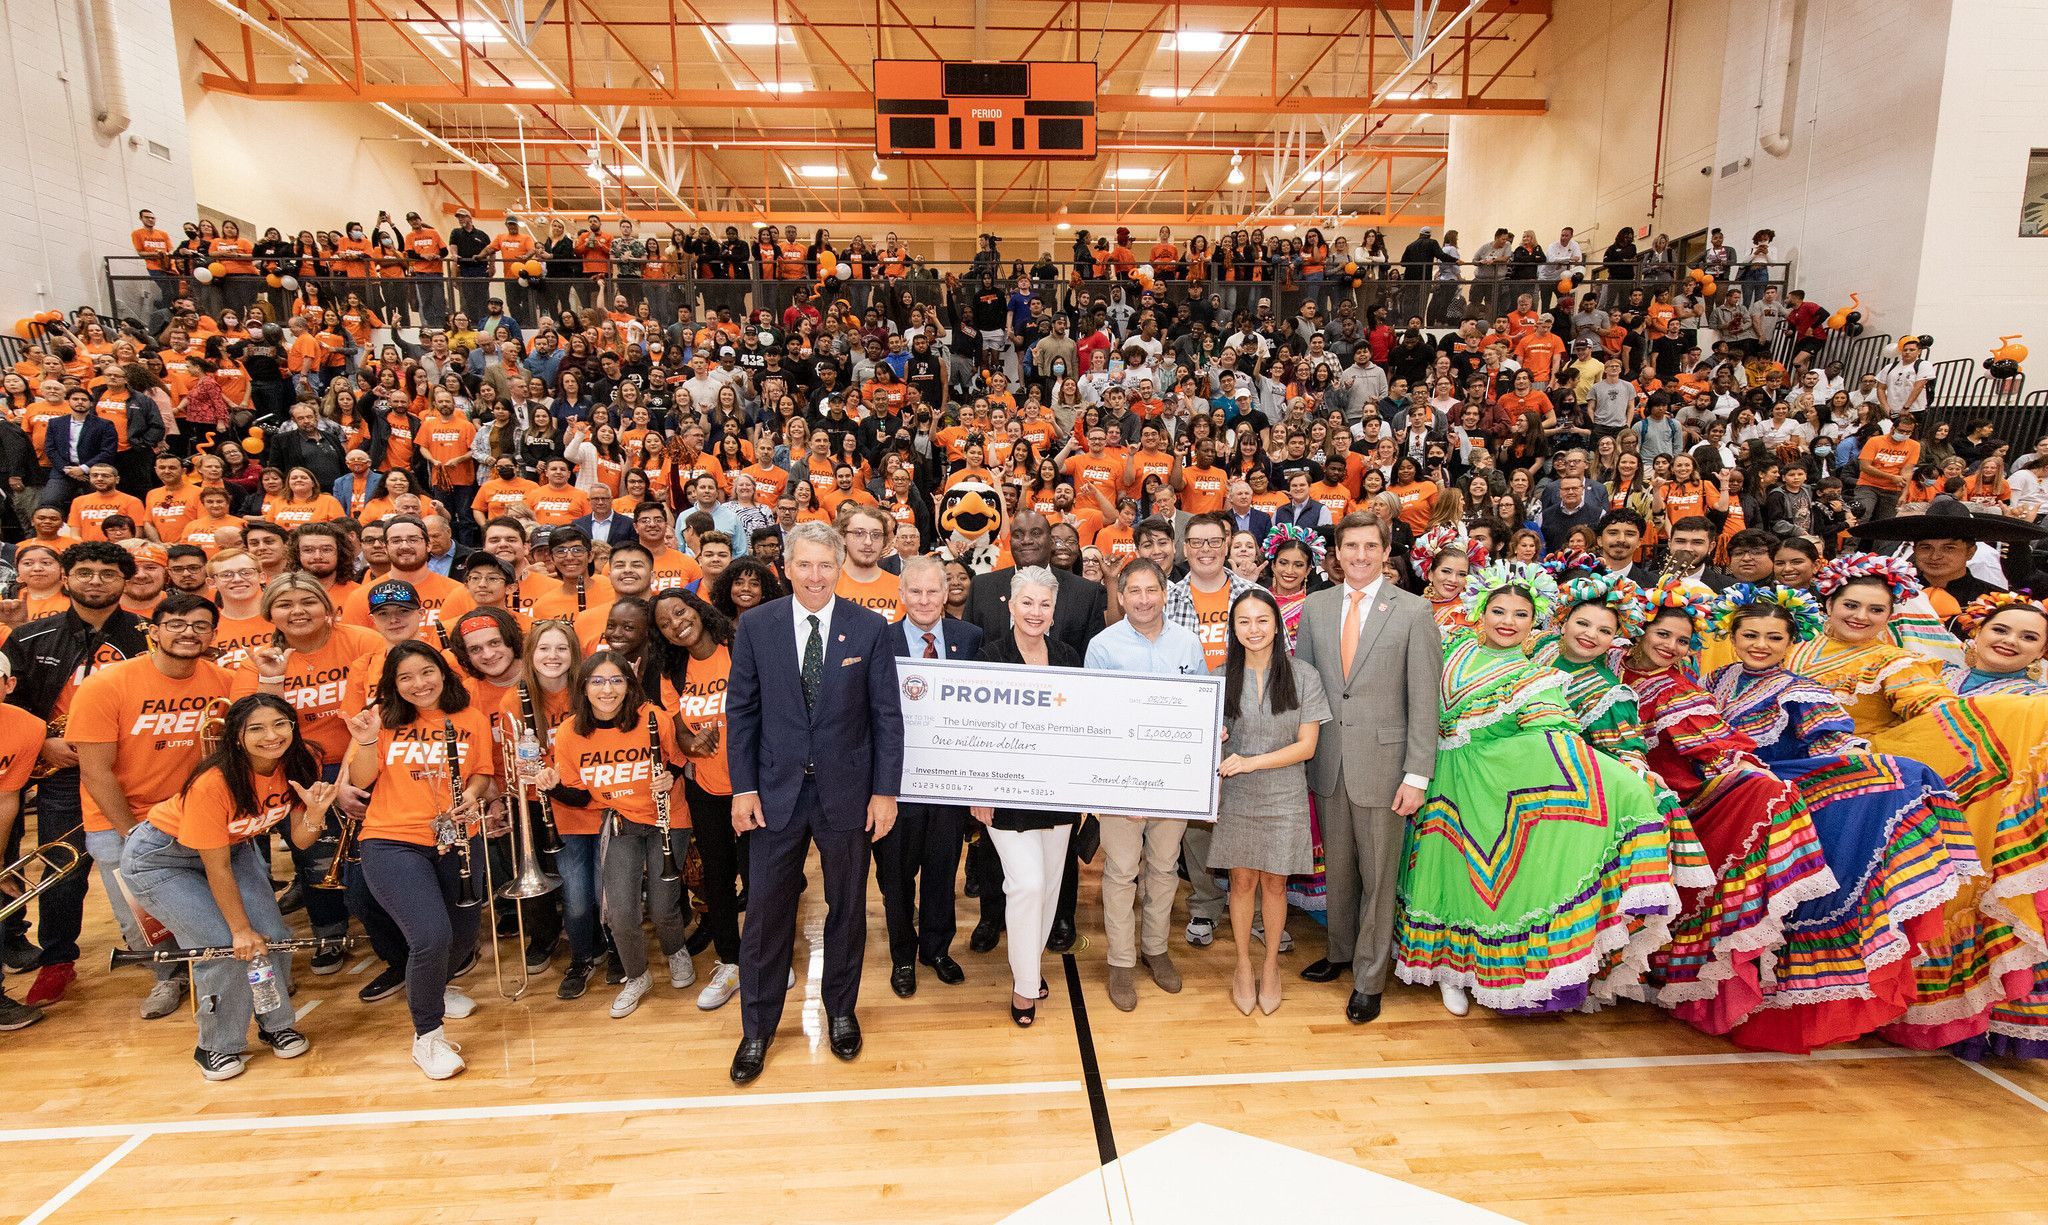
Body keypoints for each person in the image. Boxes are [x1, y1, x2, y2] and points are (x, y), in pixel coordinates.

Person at [1396, 563, 1682, 1016]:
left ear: (1536, 623)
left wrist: (1627, 776)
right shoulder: (1450, 644)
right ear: (1480, 611)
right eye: (1499, 610)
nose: (1507, 621)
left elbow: (1558, 735)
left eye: (1520, 615)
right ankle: (1442, 967)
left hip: (1489, 785)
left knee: (1468, 877)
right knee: (1434, 870)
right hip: (1430, 772)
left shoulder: (1533, 676)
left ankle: (1465, 973)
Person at [1787, 554, 2048, 1051]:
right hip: (1897, 800)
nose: (2009, 641)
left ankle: (1969, 1019)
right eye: (2001, 628)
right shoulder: (1934, 672)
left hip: (1986, 811)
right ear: (1975, 631)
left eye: (2028, 637)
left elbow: (1929, 716)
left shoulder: (2032, 700)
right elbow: (1919, 725)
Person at [1703, 583, 1973, 1052]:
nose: (1761, 645)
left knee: (1889, 782)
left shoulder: (1801, 688)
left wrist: (1862, 761)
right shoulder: (1715, 681)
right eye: (1750, 635)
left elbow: (1829, 741)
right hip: (1718, 783)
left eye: (1774, 637)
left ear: (1791, 642)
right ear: (1733, 635)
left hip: (1774, 784)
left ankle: (1773, 996)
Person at [723, 521, 903, 1084]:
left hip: (848, 793)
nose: (816, 575)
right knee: (766, 914)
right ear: (788, 568)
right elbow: (742, 712)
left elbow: (886, 718)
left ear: (840, 565)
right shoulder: (756, 626)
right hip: (773, 794)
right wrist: (744, 787)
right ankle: (757, 1029)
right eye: (805, 564)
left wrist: (884, 791)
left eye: (826, 564)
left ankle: (842, 1010)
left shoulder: (870, 628)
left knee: (847, 909)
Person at [1620, 580, 1833, 1036]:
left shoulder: (1681, 688)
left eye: (1682, 640)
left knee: (1765, 798)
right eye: (1662, 635)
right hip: (1623, 774)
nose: (1672, 647)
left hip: (1692, 788)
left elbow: (1716, 744)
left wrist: (1753, 774)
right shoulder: (1705, 677)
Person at [118, 694, 337, 1080]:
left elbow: (302, 841)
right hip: (162, 859)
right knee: (225, 946)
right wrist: (239, 930)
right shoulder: (213, 783)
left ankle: (276, 1024)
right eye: (256, 728)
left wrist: (317, 813)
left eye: (280, 724)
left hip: (232, 846)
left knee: (272, 935)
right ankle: (216, 1046)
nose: (271, 735)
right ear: (236, 736)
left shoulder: (302, 760)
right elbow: (215, 868)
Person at [1289, 513, 1442, 1024]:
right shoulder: (1315, 607)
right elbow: (1305, 690)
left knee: (1378, 877)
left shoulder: (1415, 611)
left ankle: (1371, 977)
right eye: (1349, 545)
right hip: (1328, 762)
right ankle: (1339, 952)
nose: (1359, 555)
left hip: (1386, 766)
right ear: (1336, 551)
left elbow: (1424, 702)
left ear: (1384, 549)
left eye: (1369, 546)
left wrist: (1417, 774)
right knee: (1339, 870)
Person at [341, 640, 503, 1081]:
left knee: (463, 934)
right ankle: (427, 1037)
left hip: (458, 838)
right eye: (405, 677)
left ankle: (434, 986)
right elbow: (361, 778)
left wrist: (471, 796)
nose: (419, 684)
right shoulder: (382, 721)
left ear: (443, 673)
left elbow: (481, 772)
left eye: (426, 672)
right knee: (430, 936)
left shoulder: (469, 716)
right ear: (393, 685)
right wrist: (368, 740)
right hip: (392, 840)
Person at [3, 542, 152, 1009]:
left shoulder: (152, 635)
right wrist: (43, 739)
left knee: (147, 863)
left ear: (125, 582)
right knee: (61, 870)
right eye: (84, 572)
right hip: (61, 771)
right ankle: (57, 960)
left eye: (107, 573)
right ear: (65, 578)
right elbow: (9, 707)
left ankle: (166, 955)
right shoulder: (28, 638)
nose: (95, 581)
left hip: (133, 768)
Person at [531, 650, 692, 1020]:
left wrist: (669, 778)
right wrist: (551, 786)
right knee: (619, 911)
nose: (608, 690)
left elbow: (679, 761)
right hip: (621, 822)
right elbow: (581, 795)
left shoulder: (653, 718)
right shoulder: (571, 732)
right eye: (598, 681)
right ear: (583, 687)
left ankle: (675, 950)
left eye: (617, 680)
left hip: (669, 819)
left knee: (665, 905)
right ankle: (638, 976)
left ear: (629, 685)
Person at [1082, 558, 1207, 1012]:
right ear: (1121, 597)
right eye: (1133, 591)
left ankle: (1155, 949)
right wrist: (1122, 784)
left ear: (1165, 593)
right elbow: (1095, 720)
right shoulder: (1102, 646)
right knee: (1120, 871)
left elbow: (1198, 710)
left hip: (1173, 783)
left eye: (1151, 589)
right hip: (1121, 783)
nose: (1143, 599)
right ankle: (1120, 961)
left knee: (1164, 867)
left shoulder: (1188, 644)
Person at [969, 567, 1081, 1027]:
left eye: (1045, 604)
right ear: (1011, 607)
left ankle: (1029, 968)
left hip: (1057, 793)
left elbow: (1081, 728)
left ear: (1054, 611)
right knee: (1027, 885)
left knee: (1050, 888)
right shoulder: (989, 657)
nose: (1036, 612)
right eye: (1027, 603)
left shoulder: (1070, 657)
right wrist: (978, 790)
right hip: (1004, 795)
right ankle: (1022, 988)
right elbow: (975, 730)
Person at [1210, 588, 1328, 1015]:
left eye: (1262, 620)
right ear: (1234, 628)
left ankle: (1271, 964)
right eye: (1244, 621)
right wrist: (1216, 741)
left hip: (1285, 793)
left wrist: (1252, 761)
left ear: (1277, 624)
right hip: (1238, 794)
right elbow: (1213, 743)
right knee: (1241, 882)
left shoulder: (1304, 675)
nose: (1254, 629)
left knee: (1275, 884)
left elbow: (1307, 746)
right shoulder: (1220, 677)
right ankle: (1243, 964)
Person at [878, 556, 983, 997]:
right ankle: (903, 955)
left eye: (932, 591)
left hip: (948, 784)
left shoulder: (970, 639)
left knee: (942, 871)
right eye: (915, 592)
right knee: (895, 877)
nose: (924, 600)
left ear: (947, 594)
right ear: (901, 595)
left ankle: (936, 949)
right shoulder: (879, 641)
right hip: (895, 786)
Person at [1163, 511, 1263, 948]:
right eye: (1196, 542)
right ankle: (1204, 905)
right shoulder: (1167, 597)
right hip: (1188, 718)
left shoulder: (1253, 594)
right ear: (1185, 548)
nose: (1205, 549)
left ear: (1226, 545)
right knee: (1197, 821)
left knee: (1247, 814)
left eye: (1213, 542)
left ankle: (1257, 910)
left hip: (1247, 715)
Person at [646, 589, 746, 1009]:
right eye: (665, 624)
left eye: (680, 612)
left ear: (698, 609)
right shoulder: (672, 669)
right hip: (706, 787)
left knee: (761, 878)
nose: (675, 624)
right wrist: (693, 744)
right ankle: (731, 961)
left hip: (753, 783)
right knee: (717, 879)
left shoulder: (738, 646)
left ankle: (764, 956)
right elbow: (678, 730)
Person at [498, 621, 602, 999]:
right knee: (575, 894)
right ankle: (581, 957)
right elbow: (518, 762)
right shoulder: (515, 701)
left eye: (562, 649)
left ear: (575, 655)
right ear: (530, 655)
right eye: (544, 649)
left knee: (600, 888)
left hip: (597, 801)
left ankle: (607, 947)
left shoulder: (590, 690)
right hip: (551, 808)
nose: (553, 657)